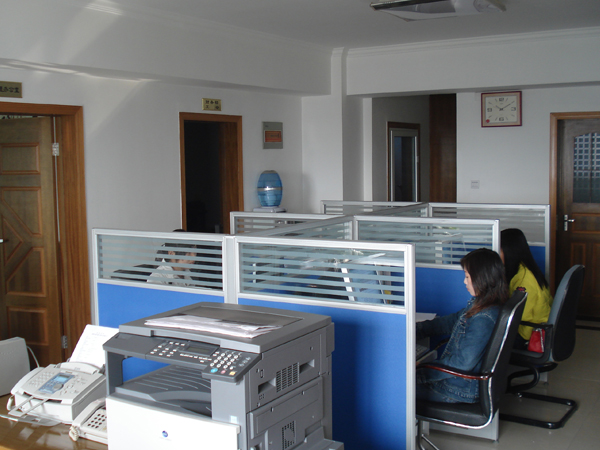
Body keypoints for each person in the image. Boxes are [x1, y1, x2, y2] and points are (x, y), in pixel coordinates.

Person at [416, 248, 508, 403]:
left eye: (467, 276)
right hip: (461, 385)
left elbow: (462, 364)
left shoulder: (483, 318)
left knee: (398, 388)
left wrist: (421, 371)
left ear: (482, 278)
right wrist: (416, 330)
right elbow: (451, 321)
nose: (465, 282)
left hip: (456, 390)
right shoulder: (484, 303)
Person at [500, 228, 553, 349]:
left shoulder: (524, 281)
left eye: (500, 250)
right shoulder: (524, 269)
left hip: (528, 334)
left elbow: (520, 315)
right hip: (531, 327)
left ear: (509, 251)